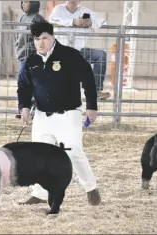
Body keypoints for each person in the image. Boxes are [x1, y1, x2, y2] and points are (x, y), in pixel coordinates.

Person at [17, 21, 101, 206]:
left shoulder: (69, 55)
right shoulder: (30, 62)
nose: (41, 42)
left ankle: (91, 188)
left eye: (45, 38)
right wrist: (23, 107)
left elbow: (88, 78)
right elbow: (23, 86)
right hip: (41, 116)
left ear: (53, 36)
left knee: (73, 151)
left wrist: (92, 106)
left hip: (68, 114)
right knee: (39, 156)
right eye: (37, 39)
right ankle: (38, 194)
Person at [48, 0, 110, 100]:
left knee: (100, 55)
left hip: (79, 51)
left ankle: (96, 91)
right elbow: (51, 21)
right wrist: (73, 22)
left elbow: (104, 22)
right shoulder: (58, 10)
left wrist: (91, 23)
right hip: (60, 51)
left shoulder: (86, 11)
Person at [15, 1, 45, 118]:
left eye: (26, 2)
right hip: (22, 54)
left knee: (25, 82)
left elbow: (41, 37)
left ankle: (24, 109)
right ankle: (26, 109)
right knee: (25, 82)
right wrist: (17, 45)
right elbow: (19, 35)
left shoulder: (38, 18)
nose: (23, 4)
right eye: (22, 2)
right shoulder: (23, 17)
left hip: (31, 56)